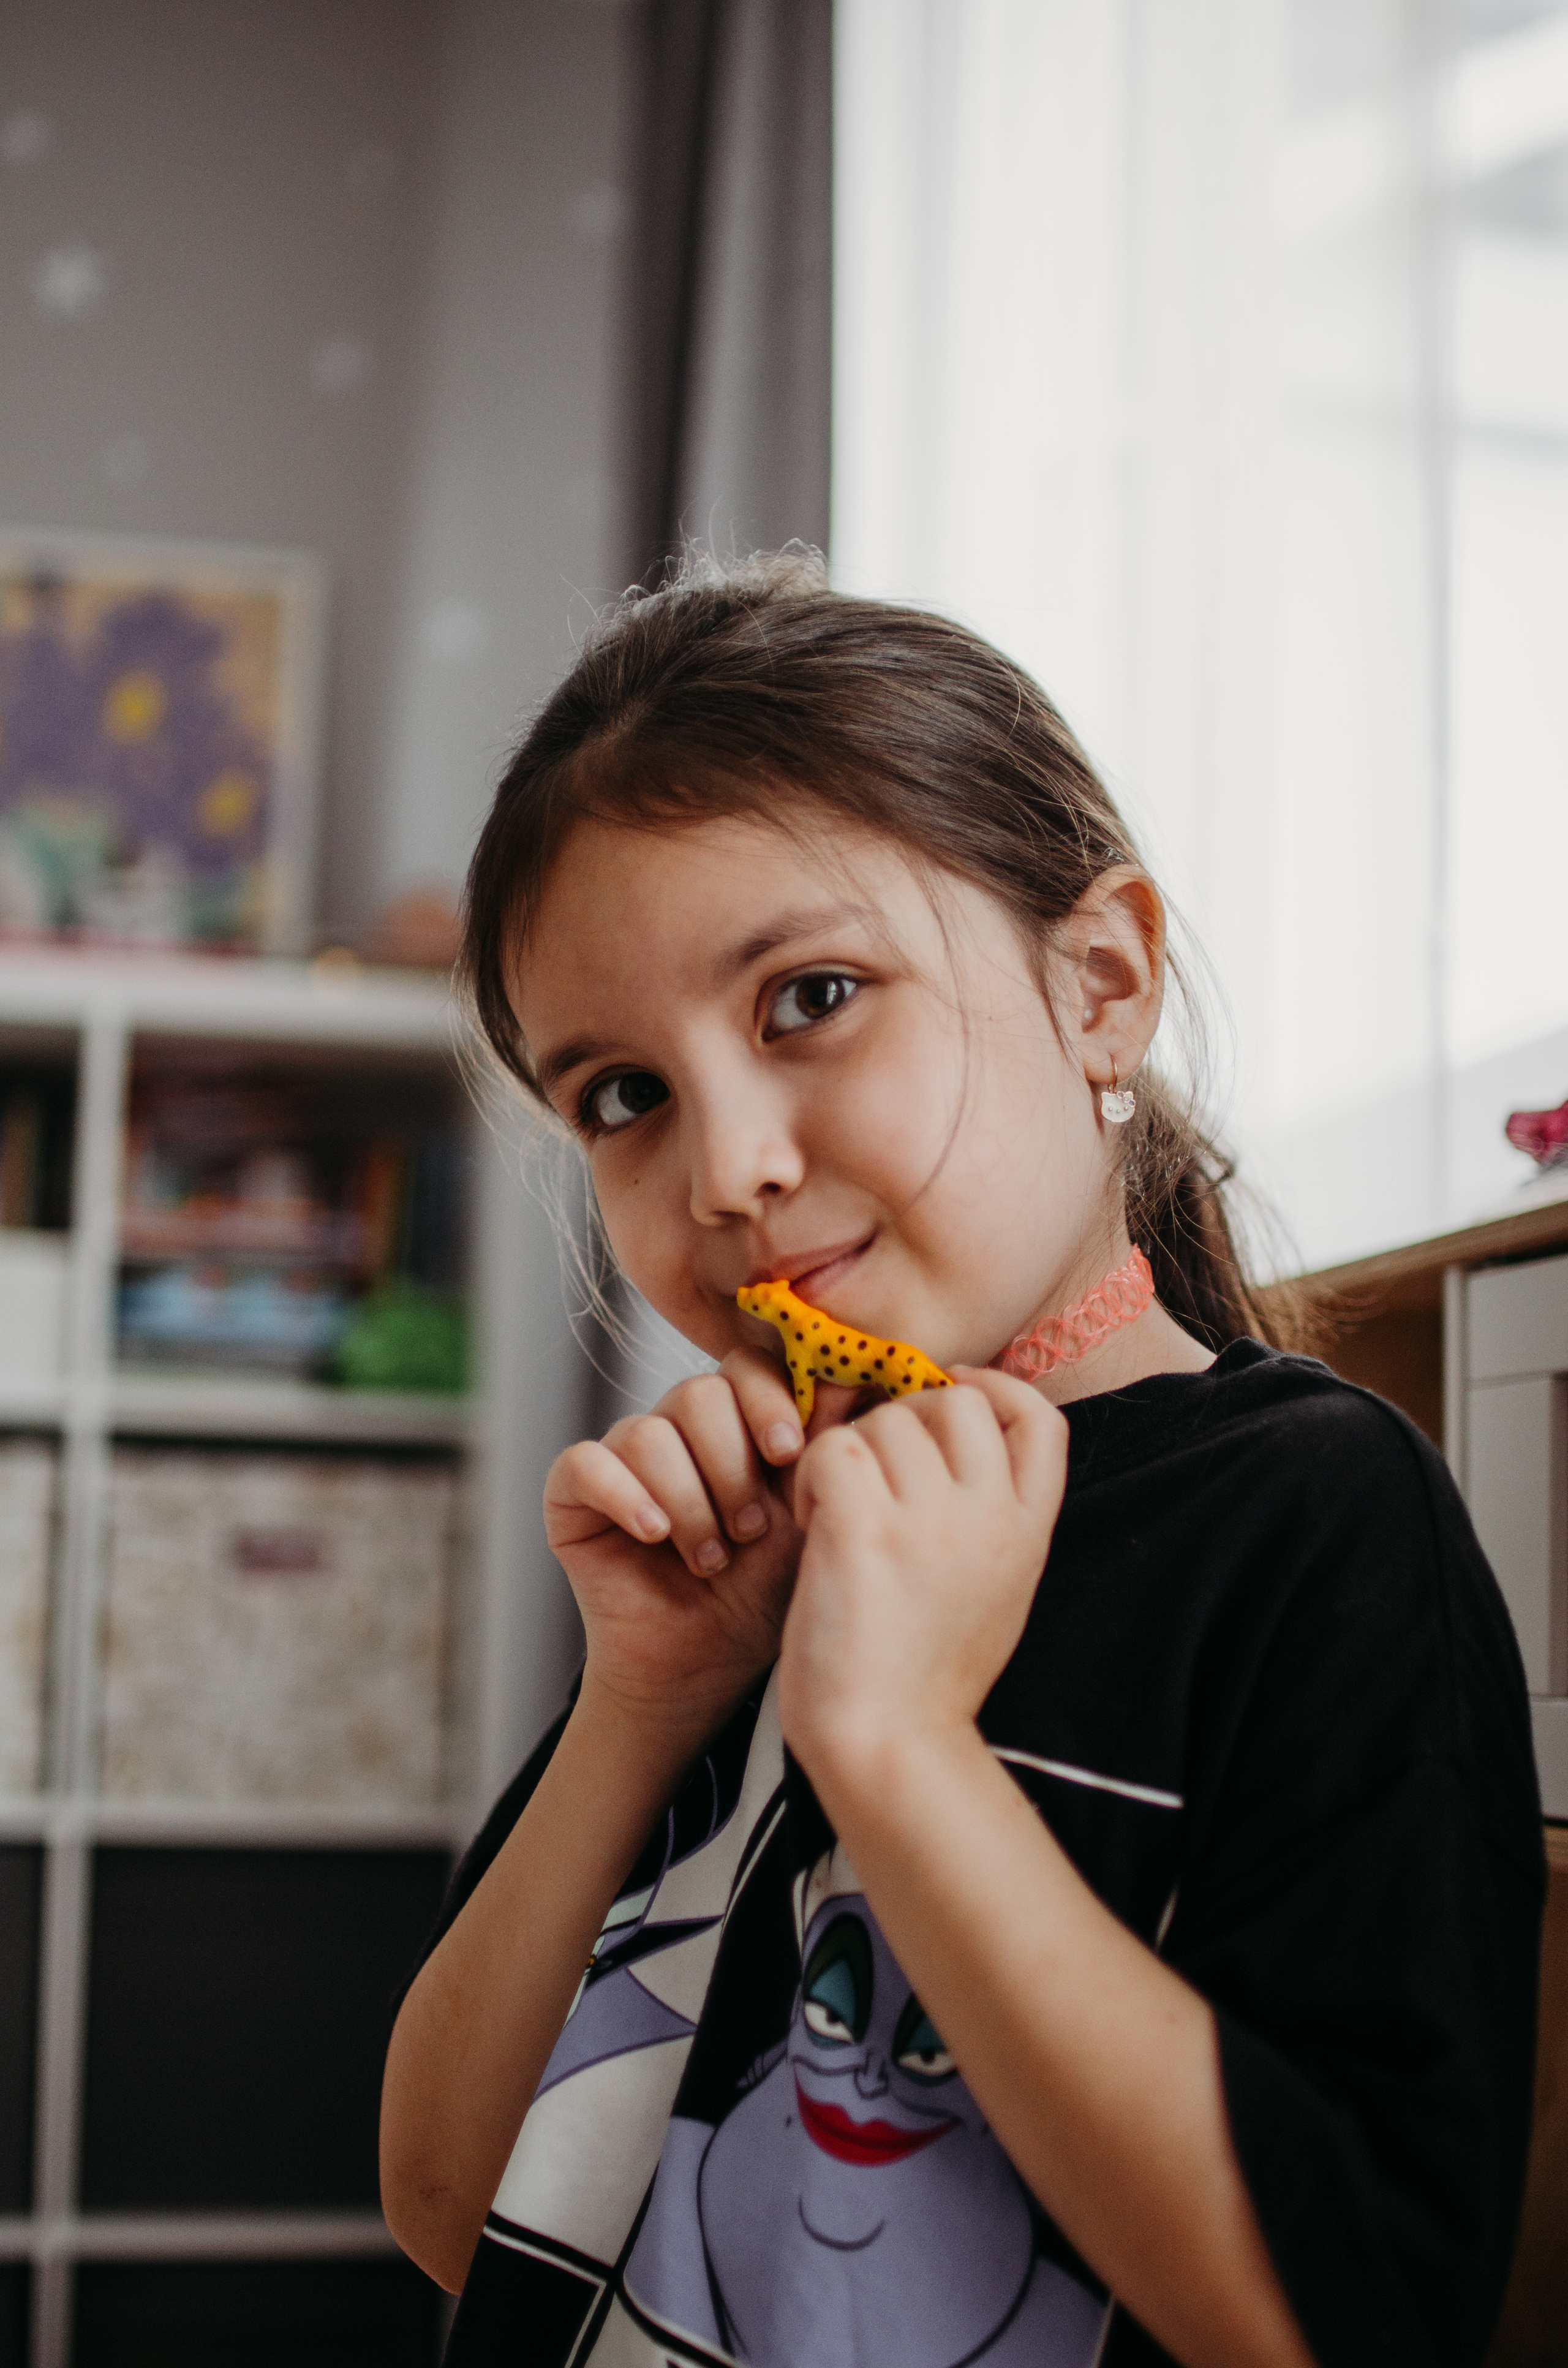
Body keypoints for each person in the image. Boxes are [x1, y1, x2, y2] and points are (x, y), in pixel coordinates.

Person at [380, 551, 1544, 2368]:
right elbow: (450, 2201)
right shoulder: (748, 1549)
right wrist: (640, 1702)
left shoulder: (1316, 1516)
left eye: (810, 995)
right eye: (622, 1094)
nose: (727, 1168)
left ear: (1099, 981)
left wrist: (902, 1749)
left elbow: (1341, 2318)